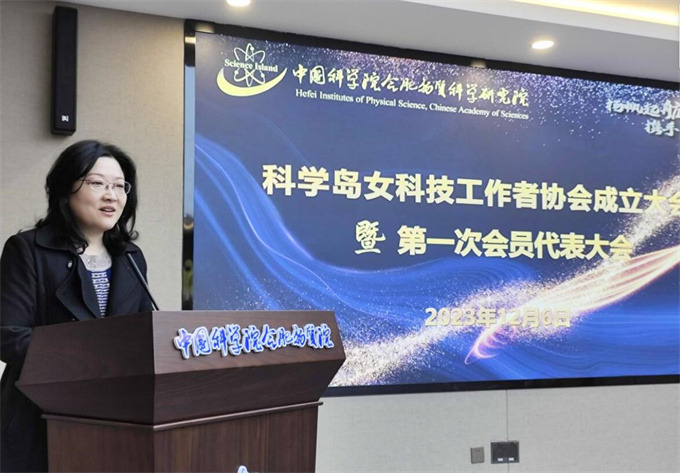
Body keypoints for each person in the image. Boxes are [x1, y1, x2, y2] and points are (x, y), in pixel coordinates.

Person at [0, 140, 154, 472]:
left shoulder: (130, 257)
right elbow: (8, 335)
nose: (111, 195)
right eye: (97, 183)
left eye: (119, 186)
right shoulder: (27, 250)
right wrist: (92, 359)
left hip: (116, 421)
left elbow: (145, 335)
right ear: (65, 189)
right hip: (41, 420)